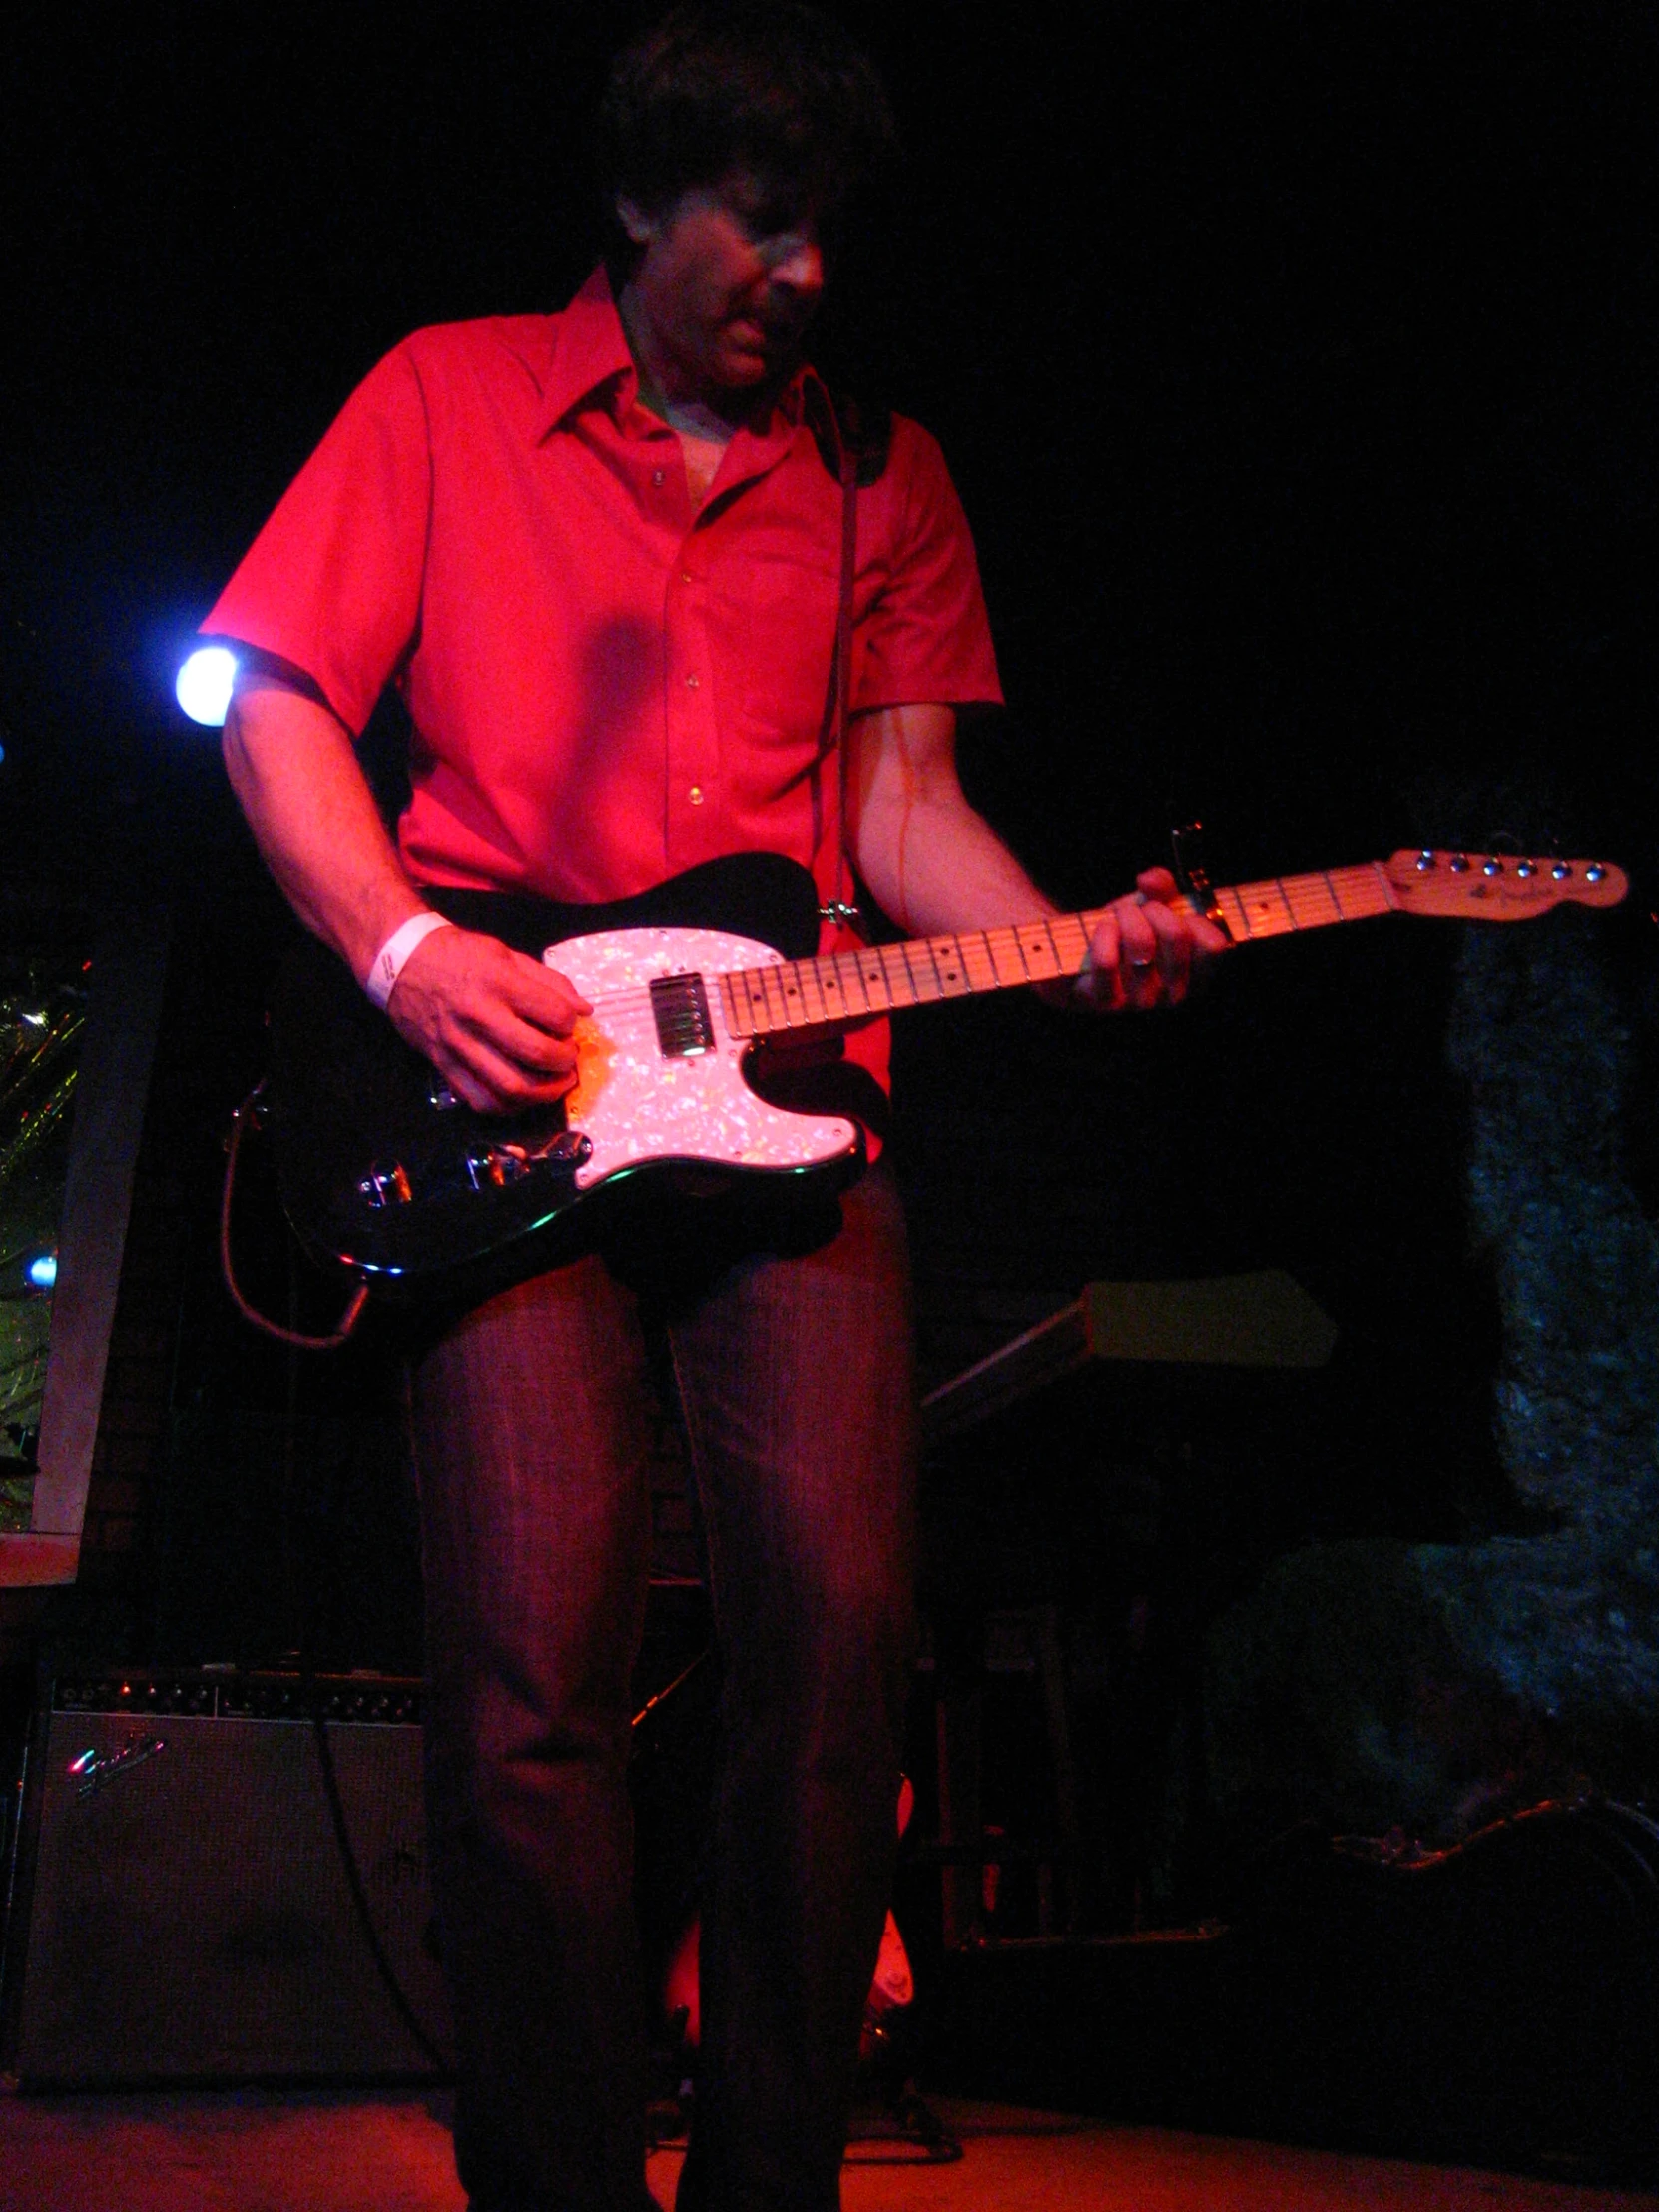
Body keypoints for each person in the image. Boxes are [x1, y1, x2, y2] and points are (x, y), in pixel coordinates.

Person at [207, 8, 1224, 2205]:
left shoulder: (887, 469)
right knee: (528, 1681)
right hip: (513, 1082)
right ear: (642, 207)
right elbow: (276, 702)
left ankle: (772, 2175)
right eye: (761, 225)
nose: (806, 274)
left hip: (792, 1102)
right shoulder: (444, 396)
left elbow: (908, 804)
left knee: (842, 1642)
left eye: (828, 232)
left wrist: (1074, 937)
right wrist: (404, 947)